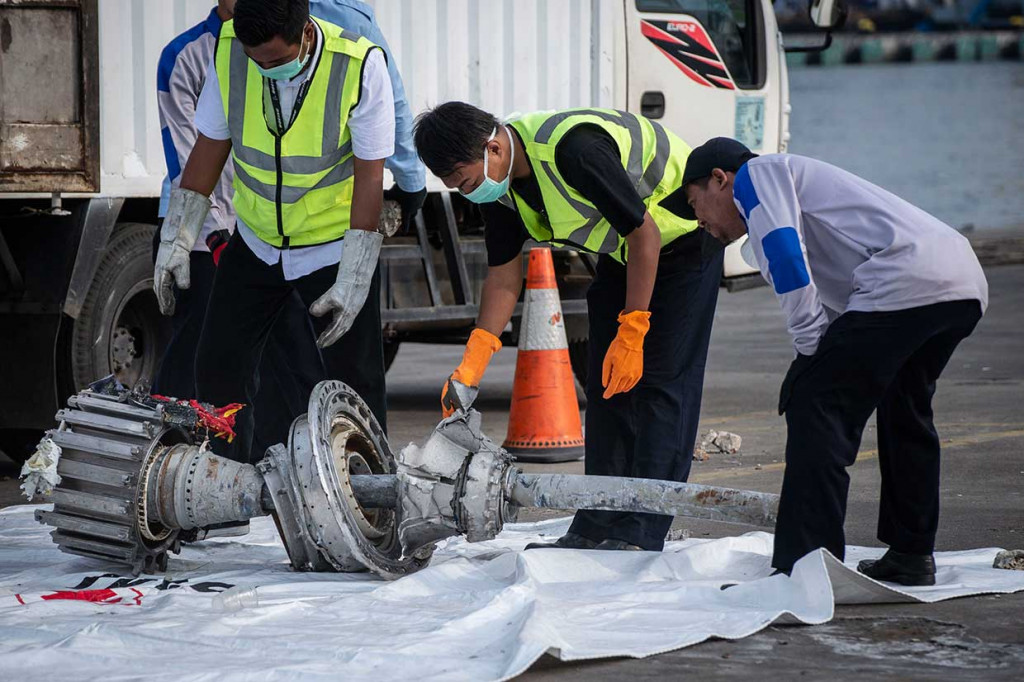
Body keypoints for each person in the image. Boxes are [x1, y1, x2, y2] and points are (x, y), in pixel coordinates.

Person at [414, 103, 724, 552]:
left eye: (466, 182)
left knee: (661, 389)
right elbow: (503, 276)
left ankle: (643, 530)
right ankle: (597, 521)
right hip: (625, 255)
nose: (468, 194)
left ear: (493, 148)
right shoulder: (501, 190)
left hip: (684, 240)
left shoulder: (573, 151)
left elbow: (647, 234)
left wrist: (634, 328)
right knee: (607, 389)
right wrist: (470, 368)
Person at [681, 138, 988, 584]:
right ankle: (910, 554)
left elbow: (787, 254)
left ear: (719, 179)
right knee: (906, 409)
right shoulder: (794, 188)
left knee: (815, 404)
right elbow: (836, 307)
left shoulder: (758, 175)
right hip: (960, 282)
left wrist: (809, 354)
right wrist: (819, 350)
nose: (700, 221)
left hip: (903, 281)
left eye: (696, 204)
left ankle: (806, 566)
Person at [154, 0, 396, 463]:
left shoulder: (359, 65)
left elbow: (370, 176)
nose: (264, 69)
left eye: (276, 61)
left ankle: (371, 499)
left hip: (331, 250)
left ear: (305, 33)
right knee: (219, 365)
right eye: (256, 60)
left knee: (356, 382)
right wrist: (176, 239)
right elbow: (209, 148)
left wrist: (355, 274)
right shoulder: (230, 51)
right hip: (258, 243)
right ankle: (222, 489)